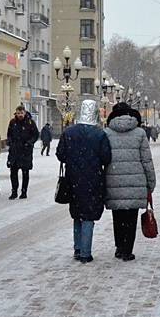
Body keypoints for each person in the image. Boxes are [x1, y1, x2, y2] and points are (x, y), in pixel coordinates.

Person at [56, 99, 111, 263]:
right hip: (93, 180)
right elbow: (106, 157)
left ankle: (78, 248)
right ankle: (86, 253)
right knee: (88, 215)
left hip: (73, 179)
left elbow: (60, 155)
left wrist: (74, 160)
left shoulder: (69, 132)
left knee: (77, 213)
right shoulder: (100, 134)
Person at [104, 102, 156, 262]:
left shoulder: (106, 133)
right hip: (136, 181)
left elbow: (103, 158)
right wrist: (151, 182)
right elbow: (146, 161)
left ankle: (119, 247)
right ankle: (127, 250)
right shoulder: (140, 133)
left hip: (113, 181)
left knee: (117, 216)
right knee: (131, 218)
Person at [6, 105, 40, 199]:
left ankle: (24, 192)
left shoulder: (30, 122)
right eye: (18, 113)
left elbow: (36, 135)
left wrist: (29, 143)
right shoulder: (13, 122)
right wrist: (10, 142)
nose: (20, 115)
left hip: (26, 151)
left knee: (25, 173)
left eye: (21, 113)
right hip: (14, 151)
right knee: (13, 172)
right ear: (16, 113)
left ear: (24, 113)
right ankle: (14, 192)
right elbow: (9, 134)